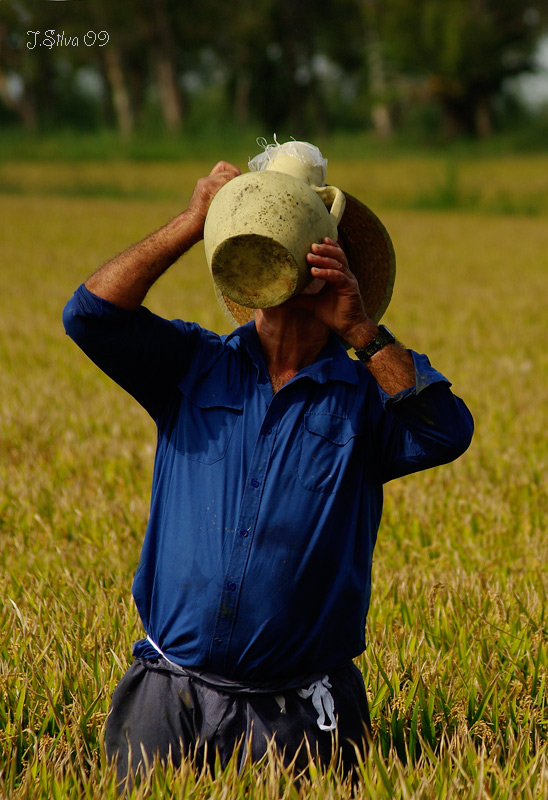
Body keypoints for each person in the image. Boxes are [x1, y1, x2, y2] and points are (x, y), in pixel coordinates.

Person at [63, 140, 473, 782]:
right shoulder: (194, 366)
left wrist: (359, 328)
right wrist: (191, 222)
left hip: (299, 716)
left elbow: (447, 431)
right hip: (169, 701)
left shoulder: (363, 398)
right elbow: (88, 318)